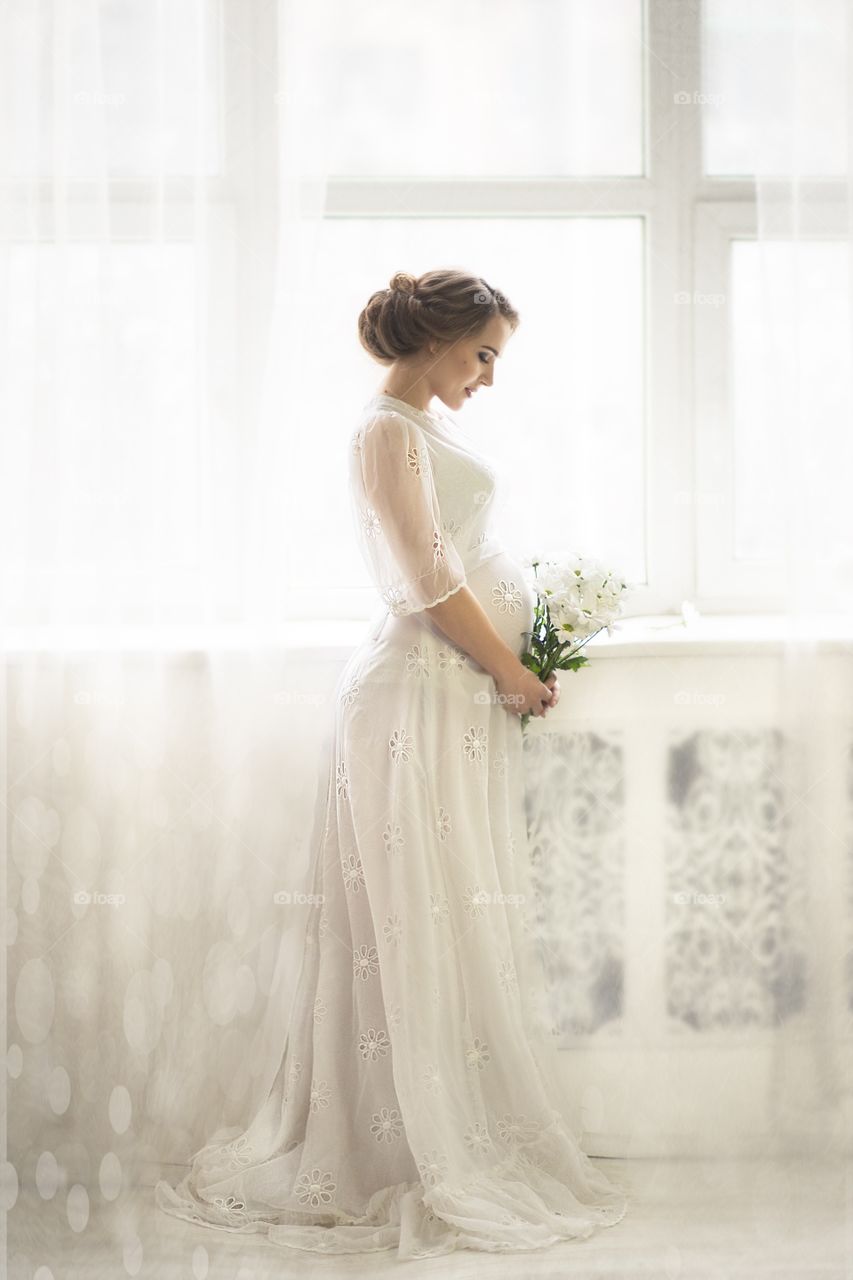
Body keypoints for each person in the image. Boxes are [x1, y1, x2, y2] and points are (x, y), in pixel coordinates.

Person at [154, 267, 629, 1259]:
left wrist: (521, 648)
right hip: (413, 691)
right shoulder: (383, 430)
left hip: (446, 692)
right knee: (406, 917)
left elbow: (457, 552)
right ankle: (395, 1149)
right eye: (483, 354)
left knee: (445, 913)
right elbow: (424, 576)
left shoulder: (425, 426)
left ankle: (437, 1132)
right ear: (438, 338)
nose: (489, 377)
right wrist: (507, 667)